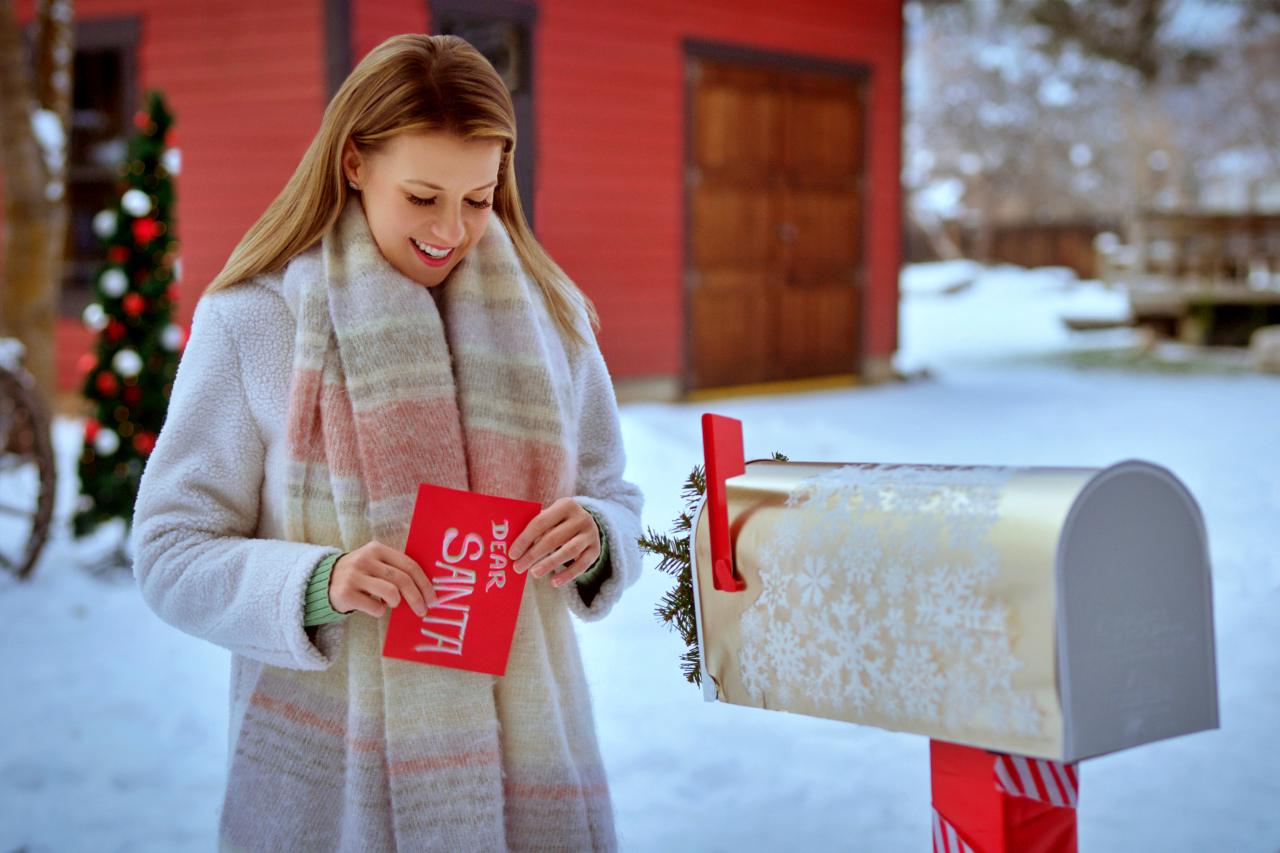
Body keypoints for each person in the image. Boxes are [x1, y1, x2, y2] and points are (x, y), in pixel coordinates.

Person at [129, 33, 643, 852]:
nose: (452, 230)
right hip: (336, 796)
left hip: (530, 787)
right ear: (355, 162)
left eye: (479, 199)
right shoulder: (255, 322)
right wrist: (315, 583)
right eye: (423, 195)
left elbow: (613, 493)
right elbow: (168, 549)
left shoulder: (553, 319)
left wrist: (598, 532)